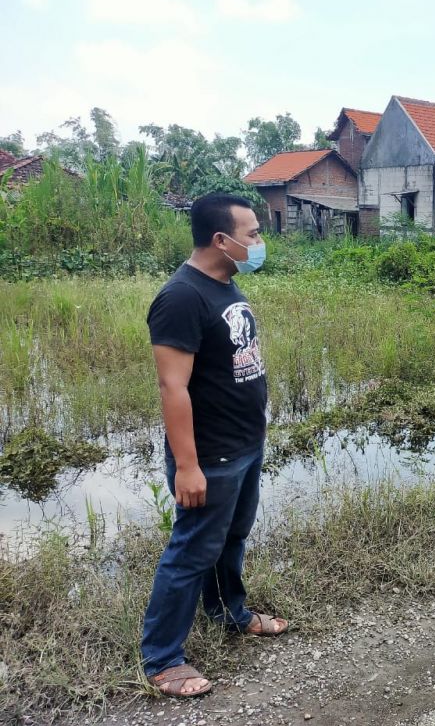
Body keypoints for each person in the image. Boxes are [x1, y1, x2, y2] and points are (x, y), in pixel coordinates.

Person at [141, 194, 288, 698]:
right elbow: (172, 387)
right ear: (221, 240)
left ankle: (230, 613)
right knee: (191, 551)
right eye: (252, 234)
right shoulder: (181, 297)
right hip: (211, 454)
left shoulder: (225, 284)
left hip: (245, 443)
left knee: (232, 537)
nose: (260, 243)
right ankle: (162, 658)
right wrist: (188, 466)